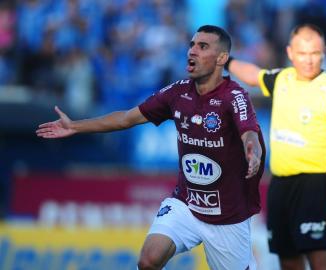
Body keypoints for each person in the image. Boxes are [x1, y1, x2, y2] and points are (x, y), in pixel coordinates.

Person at [36, 25, 265, 270]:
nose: (193, 51)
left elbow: (249, 132)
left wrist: (253, 150)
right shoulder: (177, 93)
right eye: (192, 45)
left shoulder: (234, 95)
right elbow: (126, 118)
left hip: (227, 216)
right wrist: (75, 126)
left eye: (203, 46)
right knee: (148, 260)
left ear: (221, 59)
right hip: (186, 204)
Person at [225, 23, 326, 270]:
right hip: (280, 184)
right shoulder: (282, 79)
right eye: (302, 53)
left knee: (318, 257)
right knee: (287, 260)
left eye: (315, 53)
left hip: (315, 185)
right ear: (290, 53)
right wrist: (227, 61)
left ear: (324, 52)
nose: (308, 60)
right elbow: (253, 74)